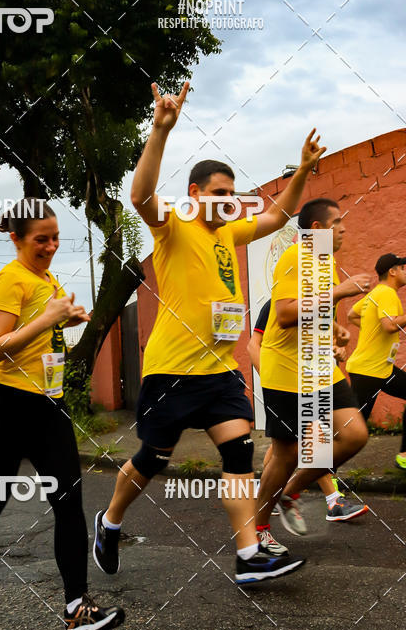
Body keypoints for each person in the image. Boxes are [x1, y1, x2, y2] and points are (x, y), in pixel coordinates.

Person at [94, 79, 324, 584]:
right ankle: (110, 521)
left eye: (233, 196)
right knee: (151, 460)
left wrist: (304, 170)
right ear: (195, 193)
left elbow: (279, 214)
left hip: (222, 371)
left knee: (239, 456)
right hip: (171, 371)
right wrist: (160, 129)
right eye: (219, 195)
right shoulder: (173, 225)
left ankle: (247, 556)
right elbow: (140, 194)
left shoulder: (230, 232)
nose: (228, 203)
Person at [0, 199, 125, 630]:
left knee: (69, 503)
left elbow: (43, 337)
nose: (52, 246)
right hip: (3, 404)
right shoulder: (8, 279)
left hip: (48, 406)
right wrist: (48, 318)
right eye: (42, 239)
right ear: (16, 238)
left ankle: (77, 608)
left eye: (56, 237)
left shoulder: (46, 279)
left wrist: (69, 317)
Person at [256, 198, 370, 532]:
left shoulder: (326, 262)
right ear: (317, 230)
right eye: (336, 223)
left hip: (319, 367)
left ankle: (290, 493)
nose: (344, 229)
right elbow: (286, 314)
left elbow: (313, 315)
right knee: (285, 455)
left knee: (354, 435)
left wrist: (335, 333)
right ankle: (257, 533)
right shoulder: (295, 256)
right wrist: (338, 293)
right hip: (287, 370)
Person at [248, 290, 367, 543]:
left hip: (313, 383)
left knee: (294, 449)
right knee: (299, 447)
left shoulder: (315, 307)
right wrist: (271, 380)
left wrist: (334, 351)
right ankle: (322, 500)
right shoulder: (276, 305)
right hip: (284, 382)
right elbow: (252, 346)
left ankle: (275, 495)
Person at [346, 253, 406, 469]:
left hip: (382, 368)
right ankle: (325, 472)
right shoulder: (387, 293)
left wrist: (370, 331)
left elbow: (352, 314)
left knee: (353, 428)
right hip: (368, 372)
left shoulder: (375, 293)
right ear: (392, 272)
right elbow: (390, 325)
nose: (405, 272)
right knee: (353, 432)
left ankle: (404, 455)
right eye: (403, 268)